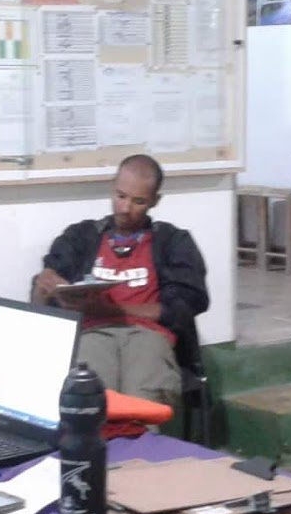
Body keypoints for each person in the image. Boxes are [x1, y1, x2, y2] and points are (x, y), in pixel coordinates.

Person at [34, 154, 208, 404]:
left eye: (138, 201)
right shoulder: (81, 236)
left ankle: (139, 428)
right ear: (112, 187)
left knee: (142, 397)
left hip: (148, 334)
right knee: (93, 395)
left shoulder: (172, 241)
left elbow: (183, 307)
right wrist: (45, 285)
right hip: (92, 332)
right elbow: (42, 300)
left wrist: (112, 309)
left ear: (155, 201)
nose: (125, 209)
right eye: (121, 196)